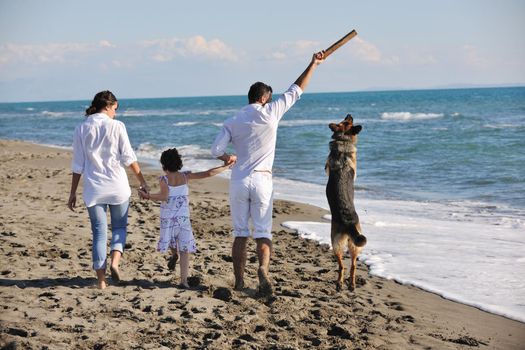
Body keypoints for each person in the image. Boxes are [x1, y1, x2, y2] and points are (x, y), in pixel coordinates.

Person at [211, 51, 325, 295]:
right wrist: (313, 64)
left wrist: (227, 158)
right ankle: (263, 269)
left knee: (240, 233)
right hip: (263, 179)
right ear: (264, 98)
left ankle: (240, 281)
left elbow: (215, 149)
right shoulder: (271, 111)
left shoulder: (233, 120)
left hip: (239, 180)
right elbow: (297, 89)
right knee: (263, 232)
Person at [67, 90, 149, 289]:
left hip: (94, 189)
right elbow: (129, 158)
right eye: (115, 109)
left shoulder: (81, 128)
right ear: (109, 106)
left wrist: (72, 193)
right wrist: (142, 181)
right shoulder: (117, 126)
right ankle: (114, 262)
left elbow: (78, 164)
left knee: (99, 233)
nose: (115, 113)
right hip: (118, 187)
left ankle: (102, 281)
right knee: (119, 228)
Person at [138, 148, 234, 288]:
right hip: (183, 219)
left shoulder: (164, 179)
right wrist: (225, 167)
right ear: (178, 163)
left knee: (170, 239)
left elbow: (164, 196)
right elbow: (208, 173)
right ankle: (184, 281)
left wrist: (148, 196)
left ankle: (173, 254)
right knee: (184, 250)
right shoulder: (185, 177)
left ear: (164, 164)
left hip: (168, 218)